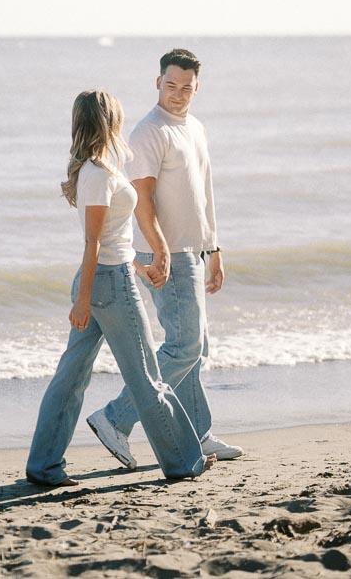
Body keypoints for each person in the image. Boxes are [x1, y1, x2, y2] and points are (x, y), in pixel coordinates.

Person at [26, 89, 215, 487]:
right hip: (107, 285)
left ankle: (44, 466)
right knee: (146, 377)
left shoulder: (100, 170)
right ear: (109, 122)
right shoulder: (97, 175)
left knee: (72, 377)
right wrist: (82, 300)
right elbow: (93, 243)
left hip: (108, 278)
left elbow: (113, 239)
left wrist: (141, 269)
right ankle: (184, 461)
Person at [86, 49, 243, 469]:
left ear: (197, 87)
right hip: (166, 253)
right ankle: (115, 419)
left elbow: (203, 192)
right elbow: (143, 200)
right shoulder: (148, 132)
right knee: (185, 346)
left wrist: (214, 248)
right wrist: (159, 250)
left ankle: (199, 433)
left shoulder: (194, 127)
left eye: (186, 87)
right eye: (170, 85)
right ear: (158, 82)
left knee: (195, 347)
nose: (177, 94)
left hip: (192, 249)